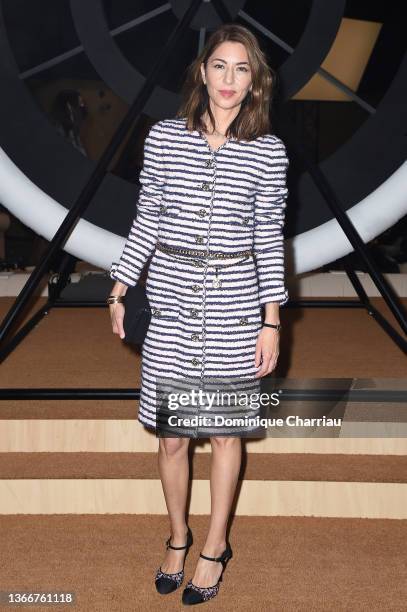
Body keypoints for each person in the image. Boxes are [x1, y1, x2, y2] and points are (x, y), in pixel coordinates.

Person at [108, 23, 289, 606]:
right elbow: (148, 219)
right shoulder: (163, 138)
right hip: (172, 300)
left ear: (255, 81)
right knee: (171, 438)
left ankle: (214, 546)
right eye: (220, 66)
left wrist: (271, 321)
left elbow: (268, 239)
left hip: (237, 304)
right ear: (202, 72)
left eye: (242, 69)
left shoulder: (269, 150)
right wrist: (119, 286)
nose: (230, 80)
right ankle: (179, 537)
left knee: (225, 431)